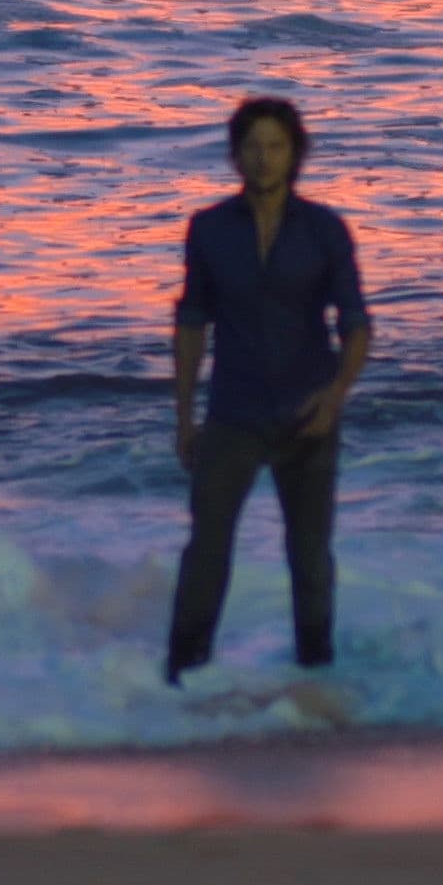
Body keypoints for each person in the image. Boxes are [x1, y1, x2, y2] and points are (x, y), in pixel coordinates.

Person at [165, 93, 371, 682]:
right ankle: (181, 680)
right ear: (234, 157)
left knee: (309, 560)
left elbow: (355, 324)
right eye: (251, 148)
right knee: (206, 552)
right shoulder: (208, 229)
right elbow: (190, 323)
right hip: (233, 413)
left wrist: (334, 400)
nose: (263, 159)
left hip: (308, 414)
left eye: (275, 147)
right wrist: (184, 418)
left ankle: (315, 680)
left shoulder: (325, 230)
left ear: (296, 154)